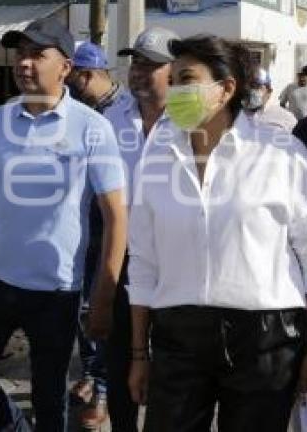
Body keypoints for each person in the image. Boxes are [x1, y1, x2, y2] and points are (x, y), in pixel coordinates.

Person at [126, 34, 307, 432]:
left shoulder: (281, 152)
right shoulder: (156, 155)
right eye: (171, 81)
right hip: (178, 337)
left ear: (225, 89)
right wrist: (139, 354)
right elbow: (143, 261)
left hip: (265, 339)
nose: (174, 91)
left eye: (186, 79)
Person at [0, 17, 128, 432]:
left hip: (55, 290)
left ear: (65, 67)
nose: (25, 63)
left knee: (49, 398)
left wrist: (103, 297)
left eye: (38, 54)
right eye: (21, 54)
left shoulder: (93, 129)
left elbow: (115, 217)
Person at [102, 26, 176, 432]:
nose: (138, 71)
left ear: (173, 69)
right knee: (119, 355)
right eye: (136, 62)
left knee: (168, 356)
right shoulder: (110, 120)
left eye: (150, 64)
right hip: (122, 252)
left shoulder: (192, 122)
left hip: (173, 257)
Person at [66, 41, 132, 429]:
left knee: (104, 309)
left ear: (86, 74)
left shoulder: (121, 113)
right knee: (82, 312)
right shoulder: (77, 111)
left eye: (72, 76)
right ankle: (92, 376)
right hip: (79, 227)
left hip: (109, 228)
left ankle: (105, 392)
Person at [244, 65, 297, 131]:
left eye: (255, 86)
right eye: (246, 86)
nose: (250, 90)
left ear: (269, 91)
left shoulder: (285, 118)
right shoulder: (234, 115)